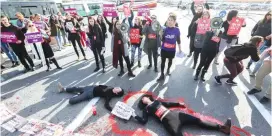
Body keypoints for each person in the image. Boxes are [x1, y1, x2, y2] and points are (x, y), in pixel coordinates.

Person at [132, 94, 232, 136]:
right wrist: (134, 115)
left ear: (148, 97)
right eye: (142, 100)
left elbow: (167, 104)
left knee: (198, 121)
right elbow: (144, 121)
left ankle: (223, 128)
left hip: (177, 115)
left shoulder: (157, 101)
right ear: (143, 102)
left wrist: (178, 104)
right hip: (168, 122)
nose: (143, 98)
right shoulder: (146, 109)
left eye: (143, 97)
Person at [57, 82, 124, 111]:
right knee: (76, 88)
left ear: (117, 93)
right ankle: (63, 89)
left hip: (90, 94)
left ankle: (78, 94)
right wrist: (96, 85)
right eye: (118, 87)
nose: (117, 87)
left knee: (72, 101)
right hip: (91, 87)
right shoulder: (111, 87)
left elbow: (106, 105)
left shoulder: (109, 95)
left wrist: (113, 110)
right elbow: (102, 86)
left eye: (118, 89)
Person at [157, 15, 181, 81]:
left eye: (171, 20)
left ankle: (168, 69)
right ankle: (162, 74)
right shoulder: (165, 29)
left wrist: (180, 49)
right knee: (163, 62)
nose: (170, 21)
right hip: (164, 49)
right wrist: (161, 34)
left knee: (170, 61)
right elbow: (162, 40)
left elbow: (178, 40)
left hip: (172, 50)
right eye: (169, 20)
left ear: (175, 21)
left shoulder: (177, 30)